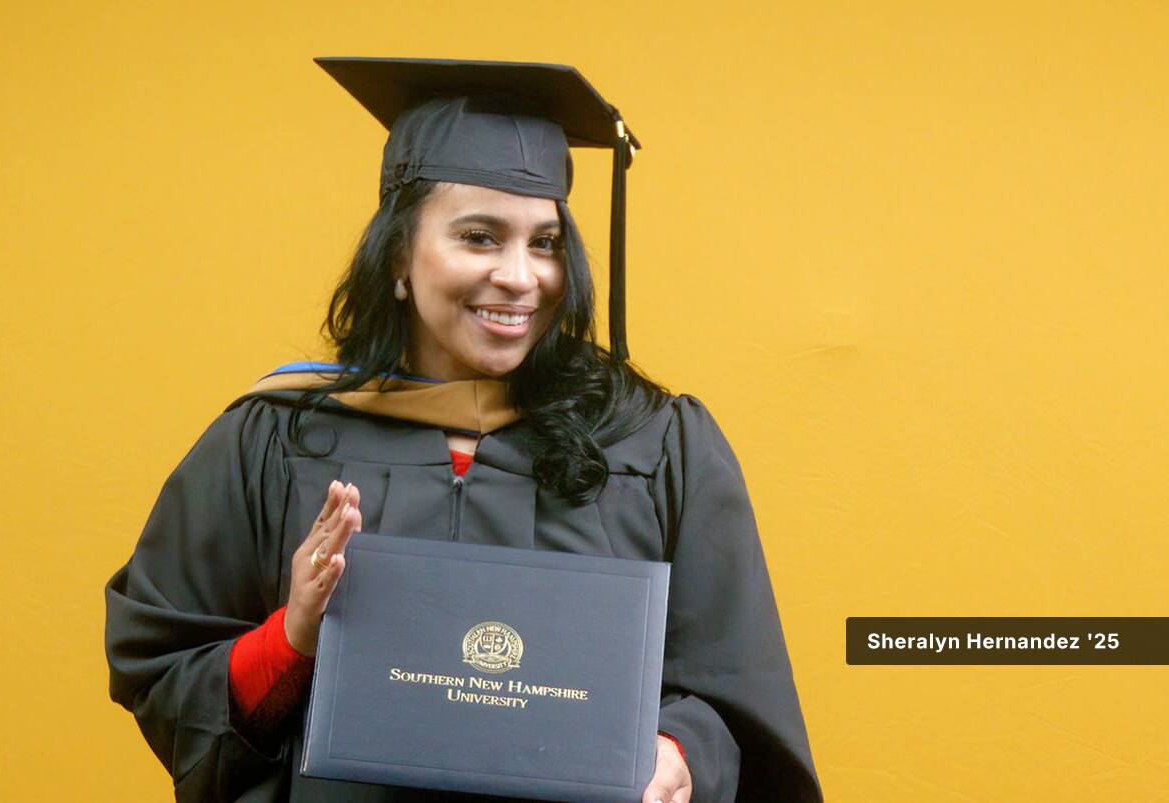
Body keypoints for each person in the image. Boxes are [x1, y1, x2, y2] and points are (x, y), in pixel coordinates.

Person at [105, 57, 821, 803]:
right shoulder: (273, 440)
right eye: (480, 237)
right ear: (398, 260)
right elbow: (162, 671)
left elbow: (737, 696)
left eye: (544, 243)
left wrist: (678, 753)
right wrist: (292, 637)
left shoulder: (656, 445)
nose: (521, 276)